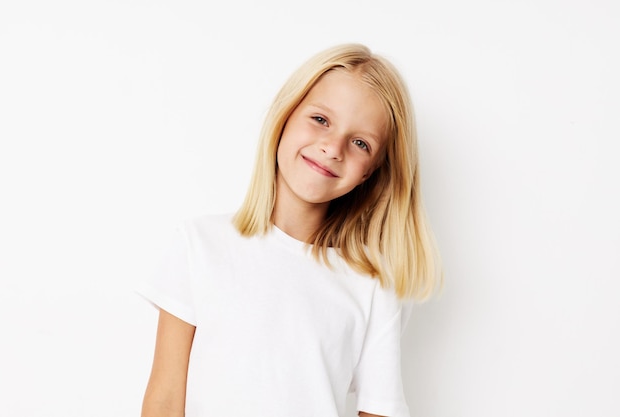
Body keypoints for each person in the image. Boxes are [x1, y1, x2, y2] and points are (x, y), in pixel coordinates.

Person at [138, 42, 442, 417]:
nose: (333, 148)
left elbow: (379, 410)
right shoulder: (199, 246)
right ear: (285, 115)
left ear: (372, 171)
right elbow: (165, 401)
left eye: (360, 142)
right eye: (320, 120)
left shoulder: (374, 286)